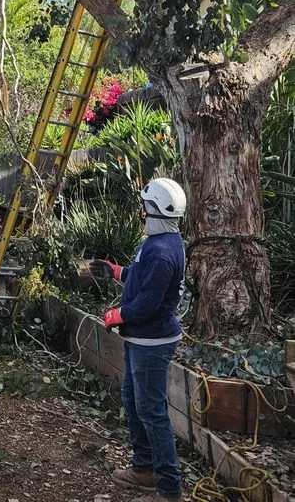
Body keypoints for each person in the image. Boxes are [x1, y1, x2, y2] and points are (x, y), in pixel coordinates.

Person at [90, 177, 187, 502]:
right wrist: (117, 271)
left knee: (153, 412)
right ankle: (143, 469)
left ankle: (169, 489)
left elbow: (147, 303)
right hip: (140, 340)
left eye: (145, 209)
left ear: (156, 211)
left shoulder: (162, 252)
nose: (142, 214)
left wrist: (118, 315)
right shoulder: (159, 243)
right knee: (134, 402)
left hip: (153, 342)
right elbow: (141, 276)